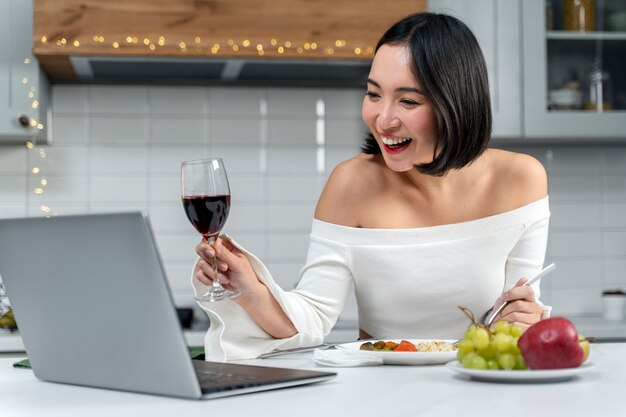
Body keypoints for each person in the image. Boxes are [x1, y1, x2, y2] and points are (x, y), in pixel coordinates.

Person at [191, 12, 550, 361]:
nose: (383, 119)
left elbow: (518, 311)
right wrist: (249, 290)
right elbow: (313, 317)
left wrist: (524, 318)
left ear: (456, 103)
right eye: (374, 94)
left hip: (481, 385)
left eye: (407, 101)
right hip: (379, 390)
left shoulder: (521, 181)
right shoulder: (351, 184)